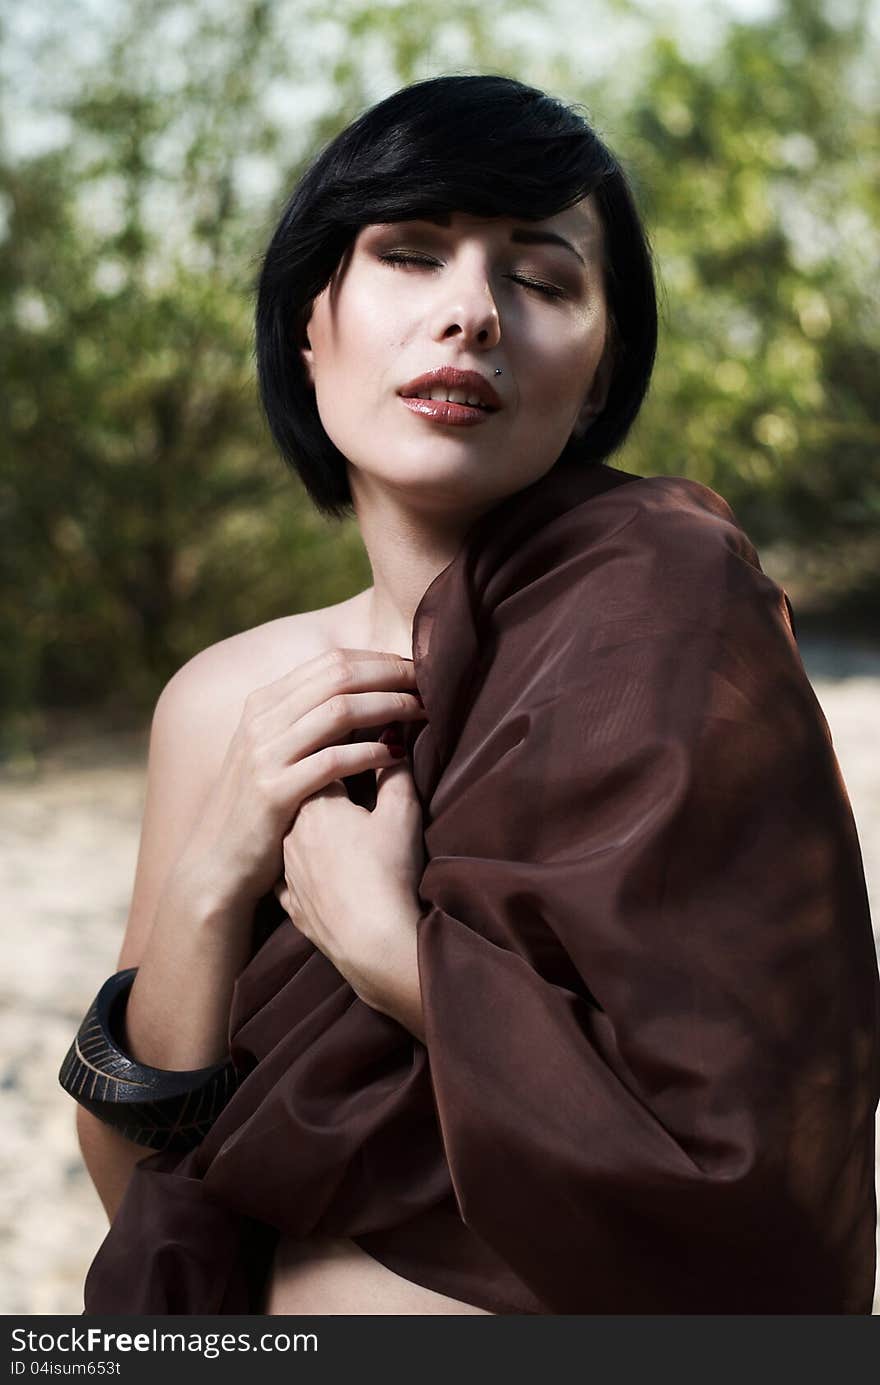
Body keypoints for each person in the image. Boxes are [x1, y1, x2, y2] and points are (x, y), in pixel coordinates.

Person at [66, 74, 879, 1315]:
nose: (473, 314)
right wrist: (213, 865)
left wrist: (394, 953)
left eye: (541, 279)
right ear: (306, 320)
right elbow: (142, 1201)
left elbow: (758, 1168)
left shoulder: (668, 613)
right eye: (409, 254)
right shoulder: (223, 698)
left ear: (601, 375)